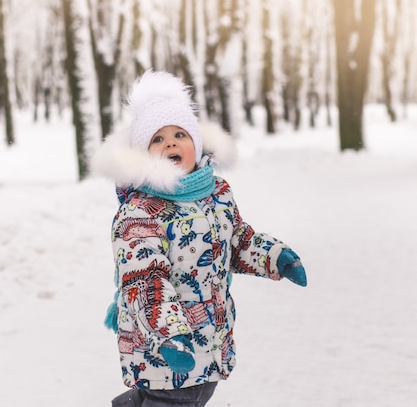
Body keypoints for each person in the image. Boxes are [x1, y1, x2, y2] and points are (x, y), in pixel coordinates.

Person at [92, 70, 307, 407]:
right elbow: (145, 280)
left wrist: (275, 257)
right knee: (176, 399)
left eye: (180, 134)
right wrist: (169, 335)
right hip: (165, 348)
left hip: (208, 337)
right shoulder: (141, 212)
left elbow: (236, 240)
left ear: (197, 142)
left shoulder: (216, 193)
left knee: (194, 393)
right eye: (157, 139)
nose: (171, 143)